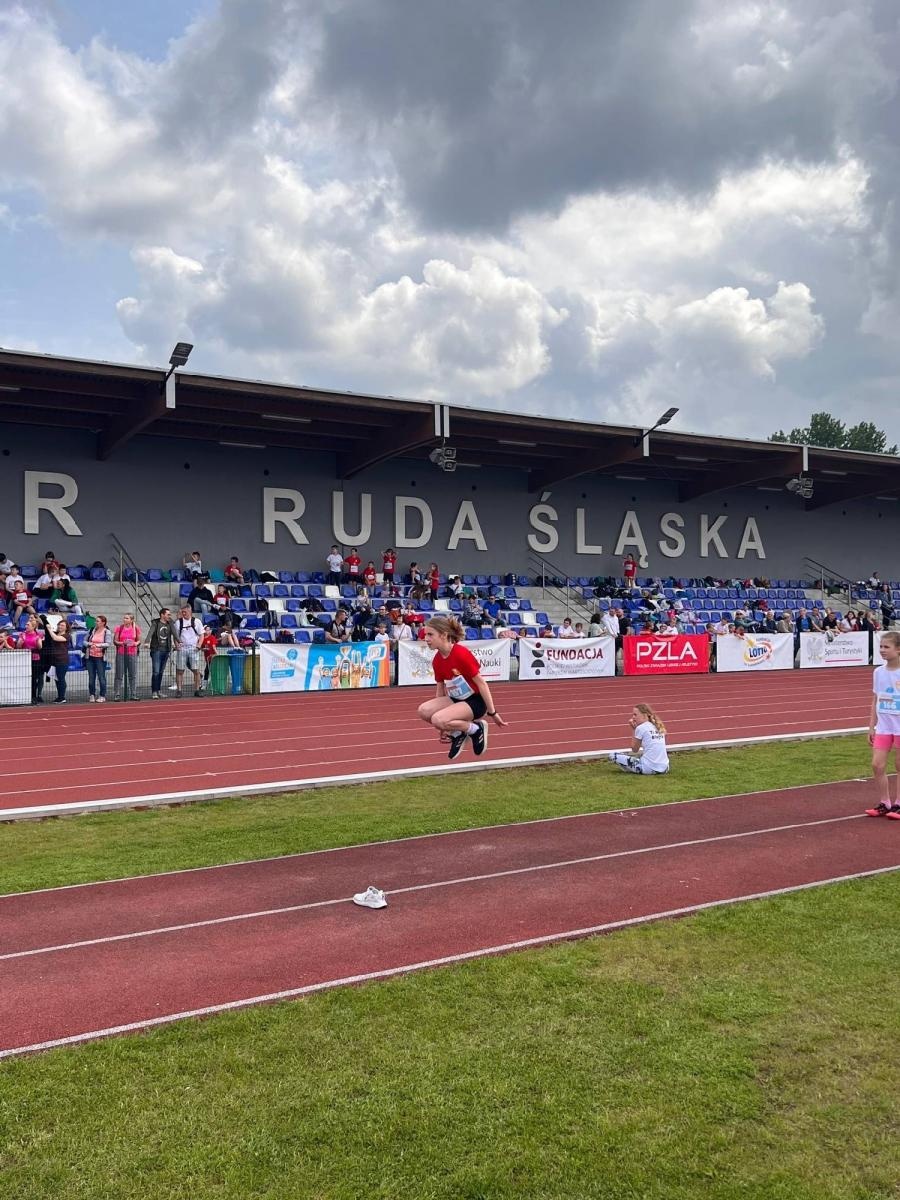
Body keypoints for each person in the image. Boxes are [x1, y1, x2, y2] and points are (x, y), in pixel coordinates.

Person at [417, 615, 507, 760]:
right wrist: (443, 726)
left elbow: (481, 683)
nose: (426, 638)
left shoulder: (461, 654)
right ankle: (457, 733)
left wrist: (493, 713)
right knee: (424, 711)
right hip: (456, 699)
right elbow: (440, 689)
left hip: (475, 702)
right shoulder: (437, 660)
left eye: (430, 634)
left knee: (438, 719)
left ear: (444, 635)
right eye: (425, 634)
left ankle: (475, 729)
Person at [865, 631, 900, 819]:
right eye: (881, 647)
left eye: (887, 647)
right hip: (884, 727)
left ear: (899, 649)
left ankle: (899, 804)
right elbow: (875, 699)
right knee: (877, 765)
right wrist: (871, 726)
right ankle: (885, 803)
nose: (882, 650)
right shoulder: (878, 672)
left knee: (899, 764)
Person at [607, 704, 670, 775]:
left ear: (644, 715)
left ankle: (633, 768)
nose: (633, 717)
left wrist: (634, 729)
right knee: (642, 756)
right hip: (665, 767)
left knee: (613, 755)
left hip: (648, 768)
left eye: (635, 715)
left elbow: (635, 749)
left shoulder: (641, 728)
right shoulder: (657, 726)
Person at [174, 604, 204, 697]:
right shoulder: (178, 622)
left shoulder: (197, 621)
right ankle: (179, 690)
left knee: (196, 670)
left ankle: (197, 689)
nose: (183, 614)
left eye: (185, 612)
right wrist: (177, 645)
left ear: (190, 611)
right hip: (182, 648)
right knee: (180, 670)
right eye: (182, 612)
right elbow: (175, 636)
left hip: (193, 648)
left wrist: (199, 645)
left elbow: (201, 634)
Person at [147, 607, 176, 699]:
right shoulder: (155, 623)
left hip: (166, 650)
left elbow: (175, 633)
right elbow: (150, 632)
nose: (169, 616)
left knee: (160, 672)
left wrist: (178, 641)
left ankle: (158, 690)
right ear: (162, 615)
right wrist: (147, 641)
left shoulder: (170, 623)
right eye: (168, 614)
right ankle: (154, 691)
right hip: (156, 649)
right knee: (156, 671)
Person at [113, 612, 142, 701]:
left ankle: (133, 694)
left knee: (132, 674)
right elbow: (115, 641)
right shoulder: (119, 628)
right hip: (121, 652)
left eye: (127, 618)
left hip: (132, 653)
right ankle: (117, 694)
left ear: (131, 620)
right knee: (119, 674)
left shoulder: (136, 628)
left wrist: (135, 643)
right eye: (124, 618)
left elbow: (139, 640)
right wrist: (123, 643)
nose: (124, 619)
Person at [17, 615, 45, 704]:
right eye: (26, 625)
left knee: (34, 678)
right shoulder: (22, 634)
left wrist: (38, 643)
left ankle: (33, 696)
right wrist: (20, 643)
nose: (26, 626)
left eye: (28, 625)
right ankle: (24, 696)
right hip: (24, 659)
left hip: (35, 659)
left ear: (33, 627)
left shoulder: (38, 635)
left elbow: (40, 647)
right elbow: (18, 646)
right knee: (24, 678)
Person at [85, 614, 112, 701]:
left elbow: (108, 643)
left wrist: (98, 645)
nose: (95, 622)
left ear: (103, 623)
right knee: (91, 677)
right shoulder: (92, 630)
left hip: (100, 657)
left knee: (101, 677)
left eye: (97, 621)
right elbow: (84, 641)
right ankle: (91, 694)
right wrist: (89, 644)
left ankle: (102, 695)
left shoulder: (106, 632)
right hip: (90, 657)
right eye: (95, 621)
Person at [45, 617, 71, 703]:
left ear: (66, 627)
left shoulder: (67, 635)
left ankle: (62, 697)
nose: (60, 626)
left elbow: (56, 638)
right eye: (59, 624)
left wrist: (49, 629)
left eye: (62, 625)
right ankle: (59, 696)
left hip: (62, 660)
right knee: (56, 679)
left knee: (61, 678)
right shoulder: (56, 633)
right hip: (54, 660)